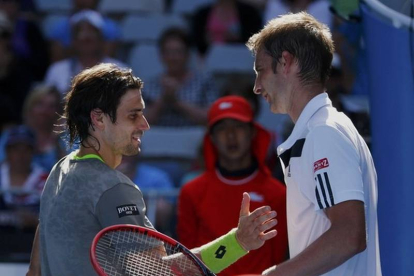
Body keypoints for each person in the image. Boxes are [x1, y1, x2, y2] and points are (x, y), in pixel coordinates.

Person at [26, 63, 278, 276]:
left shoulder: (59, 170)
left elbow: (34, 269)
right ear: (99, 118)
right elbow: (157, 272)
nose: (145, 125)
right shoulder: (115, 188)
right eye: (133, 115)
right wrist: (237, 242)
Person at [246, 12, 382, 275]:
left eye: (260, 71)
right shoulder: (327, 128)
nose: (256, 87)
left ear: (286, 62)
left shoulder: (323, 132)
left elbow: (349, 235)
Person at [177, 95, 289, 276]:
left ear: (252, 132)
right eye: (222, 129)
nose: (231, 136)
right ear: (211, 138)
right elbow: (188, 258)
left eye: (238, 126)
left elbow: (280, 258)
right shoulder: (191, 191)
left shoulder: (278, 193)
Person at [144, 27, 219, 127]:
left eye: (178, 52)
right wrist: (163, 99)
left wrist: (177, 102)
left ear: (187, 54)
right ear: (161, 55)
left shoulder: (204, 81)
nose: (173, 57)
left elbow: (211, 117)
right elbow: (141, 122)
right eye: (168, 52)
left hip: (195, 140)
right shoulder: (149, 85)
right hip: (157, 140)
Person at [44, 10, 126, 95]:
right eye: (79, 31)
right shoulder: (56, 70)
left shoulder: (120, 70)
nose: (85, 36)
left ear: (101, 39)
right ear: (73, 40)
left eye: (92, 31)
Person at [0, 125, 48, 260]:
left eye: (26, 149)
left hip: (32, 249)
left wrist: (35, 221)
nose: (21, 155)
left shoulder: (47, 180)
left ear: (33, 152)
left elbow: (54, 219)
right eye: (15, 149)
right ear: (7, 151)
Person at [47, 0, 121, 62]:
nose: (85, 36)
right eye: (79, 32)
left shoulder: (110, 28)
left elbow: (106, 59)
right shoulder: (59, 28)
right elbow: (57, 59)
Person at [191, 0, 263, 57]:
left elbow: (256, 39)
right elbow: (196, 40)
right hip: (207, 58)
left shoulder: (250, 13)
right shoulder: (201, 14)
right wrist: (205, 40)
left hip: (239, 58)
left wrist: (235, 38)